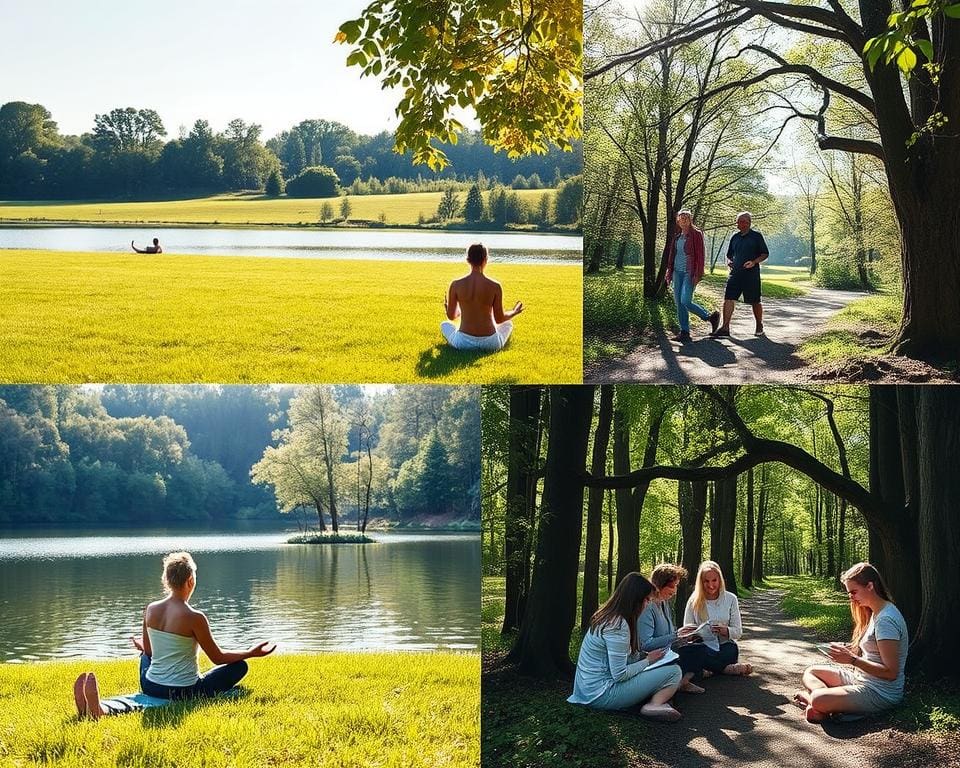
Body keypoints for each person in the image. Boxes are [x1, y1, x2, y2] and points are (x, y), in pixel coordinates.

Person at [74, 552, 275, 720]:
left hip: (150, 685)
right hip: (184, 692)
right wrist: (251, 652)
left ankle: (101, 708)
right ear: (190, 581)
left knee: (145, 656)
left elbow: (150, 651)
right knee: (240, 666)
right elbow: (217, 657)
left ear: (166, 580)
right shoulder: (195, 617)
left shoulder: (151, 609)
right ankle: (98, 710)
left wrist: (142, 646)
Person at [795, 562, 908, 723]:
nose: (851, 598)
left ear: (870, 586)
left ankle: (817, 701)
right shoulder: (876, 612)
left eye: (854, 592)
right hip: (861, 678)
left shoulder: (886, 620)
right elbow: (873, 650)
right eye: (849, 593)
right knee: (811, 671)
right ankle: (825, 703)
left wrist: (852, 660)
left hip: (880, 692)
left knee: (819, 698)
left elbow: (891, 673)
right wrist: (848, 649)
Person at [568, 571, 684, 721]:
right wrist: (648, 661)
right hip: (601, 694)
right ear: (636, 600)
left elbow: (621, 661)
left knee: (663, 667)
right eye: (647, 600)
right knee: (674, 671)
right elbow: (620, 674)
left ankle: (655, 700)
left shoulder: (609, 617)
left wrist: (644, 658)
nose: (648, 604)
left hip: (589, 691)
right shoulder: (618, 625)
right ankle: (654, 705)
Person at [637, 563, 708, 693]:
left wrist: (684, 637)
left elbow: (670, 632)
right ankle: (672, 686)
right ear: (659, 584)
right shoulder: (647, 607)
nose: (675, 591)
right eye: (672, 586)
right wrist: (676, 636)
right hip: (654, 656)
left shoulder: (665, 603)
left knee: (700, 647)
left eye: (676, 586)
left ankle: (683, 681)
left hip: (668, 650)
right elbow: (645, 644)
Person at [441, 243, 523, 352]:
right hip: (491, 343)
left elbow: (451, 317)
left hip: (463, 343)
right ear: (485, 259)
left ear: (468, 260)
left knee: (444, 325)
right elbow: (499, 319)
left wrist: (455, 310)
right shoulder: (495, 286)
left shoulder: (456, 284)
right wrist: (513, 312)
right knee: (508, 324)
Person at [682, 560, 753, 677]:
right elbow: (687, 630)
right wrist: (698, 633)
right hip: (703, 646)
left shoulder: (731, 599)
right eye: (706, 581)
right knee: (692, 652)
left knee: (730, 650)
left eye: (714, 580)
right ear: (701, 582)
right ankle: (725, 669)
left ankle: (702, 670)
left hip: (724, 645)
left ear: (720, 580)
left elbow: (738, 632)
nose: (710, 585)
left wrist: (725, 630)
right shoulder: (693, 600)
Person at [665, 210, 720, 343]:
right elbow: (672, 254)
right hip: (677, 272)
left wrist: (698, 273)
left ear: (690, 220)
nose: (684, 220)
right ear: (678, 220)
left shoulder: (696, 234)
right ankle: (685, 332)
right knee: (679, 303)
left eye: (686, 218)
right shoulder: (677, 236)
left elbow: (700, 255)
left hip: (690, 272)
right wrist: (669, 271)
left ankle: (709, 317)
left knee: (685, 300)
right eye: (681, 218)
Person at [712, 212, 768, 338]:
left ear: (749, 223)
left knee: (755, 301)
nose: (741, 224)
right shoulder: (735, 237)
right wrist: (730, 262)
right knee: (728, 298)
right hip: (735, 273)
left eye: (744, 221)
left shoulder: (756, 236)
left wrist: (753, 262)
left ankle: (759, 325)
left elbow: (764, 254)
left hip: (751, 274)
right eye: (739, 221)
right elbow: (729, 255)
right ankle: (725, 327)